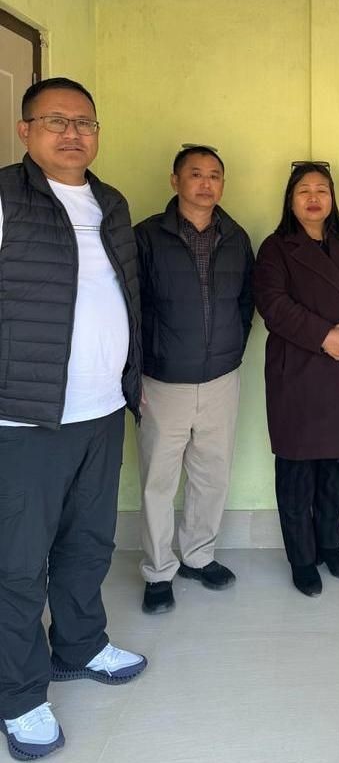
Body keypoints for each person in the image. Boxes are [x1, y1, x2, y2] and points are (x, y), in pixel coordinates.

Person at [0, 77, 146, 761]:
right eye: (55, 120)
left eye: (84, 121)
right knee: (16, 565)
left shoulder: (110, 202)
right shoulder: (5, 197)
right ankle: (20, 695)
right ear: (25, 130)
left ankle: (81, 646)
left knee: (88, 544)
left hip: (101, 409)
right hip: (23, 419)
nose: (72, 133)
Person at [254, 162, 339, 597]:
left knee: (335, 468)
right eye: (303, 191)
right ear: (290, 201)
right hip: (299, 371)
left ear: (332, 200)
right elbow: (273, 305)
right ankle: (301, 558)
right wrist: (324, 336)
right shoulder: (276, 248)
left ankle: (330, 546)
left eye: (322, 190)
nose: (314, 198)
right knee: (296, 469)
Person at [134, 145, 255, 614]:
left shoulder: (236, 236)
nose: (206, 183)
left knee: (211, 475)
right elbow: (131, 307)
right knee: (157, 481)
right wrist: (138, 369)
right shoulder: (146, 236)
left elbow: (246, 303)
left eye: (215, 176)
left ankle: (199, 556)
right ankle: (158, 569)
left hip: (221, 377)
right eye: (196, 174)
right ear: (175, 181)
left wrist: (231, 348)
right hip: (162, 380)